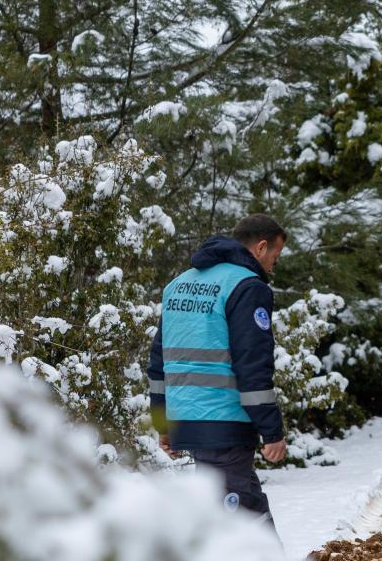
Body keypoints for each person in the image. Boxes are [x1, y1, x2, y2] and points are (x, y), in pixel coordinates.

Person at [148, 213, 288, 531]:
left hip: (188, 421)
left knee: (218, 516)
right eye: (275, 259)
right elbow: (252, 365)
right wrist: (272, 431)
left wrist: (163, 421)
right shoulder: (247, 287)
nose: (272, 268)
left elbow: (159, 362)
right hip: (225, 419)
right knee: (246, 514)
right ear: (261, 247)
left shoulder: (178, 285)